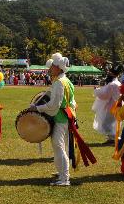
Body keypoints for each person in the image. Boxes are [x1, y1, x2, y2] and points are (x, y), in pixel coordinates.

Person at [31, 53, 96, 186]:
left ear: (59, 68)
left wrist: (37, 108)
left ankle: (64, 178)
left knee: (58, 146)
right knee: (63, 146)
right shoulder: (66, 81)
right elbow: (72, 102)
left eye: (53, 66)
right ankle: (62, 172)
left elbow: (54, 105)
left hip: (61, 118)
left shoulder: (59, 83)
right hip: (66, 117)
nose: (51, 68)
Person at [92, 65, 123, 143]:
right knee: (110, 123)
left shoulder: (113, 84)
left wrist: (96, 90)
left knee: (105, 124)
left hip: (112, 107)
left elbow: (104, 95)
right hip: (116, 106)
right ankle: (111, 139)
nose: (108, 73)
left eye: (110, 72)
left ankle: (115, 139)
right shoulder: (117, 83)